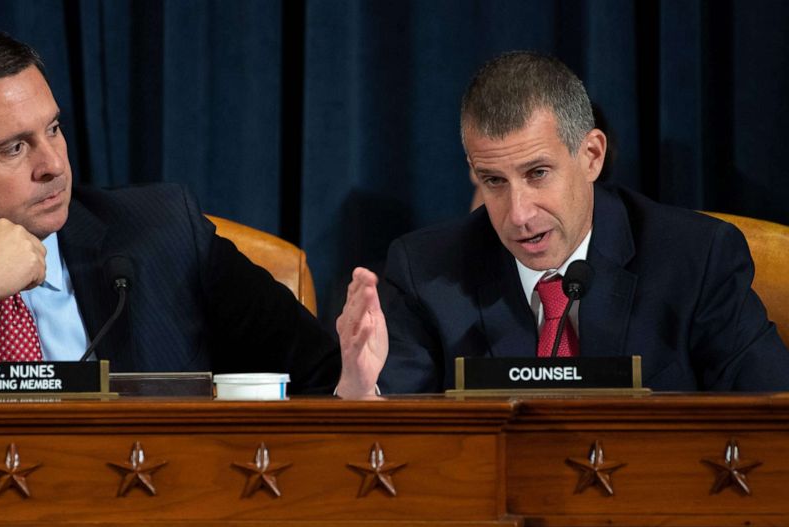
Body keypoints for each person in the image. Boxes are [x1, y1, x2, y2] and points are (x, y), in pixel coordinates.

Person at [0, 28, 339, 398]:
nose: (53, 165)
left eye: (54, 129)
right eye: (14, 148)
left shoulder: (163, 232)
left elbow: (319, 372)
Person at [336, 51, 789, 397]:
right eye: (494, 181)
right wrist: (360, 394)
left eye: (538, 174)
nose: (519, 215)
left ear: (591, 155)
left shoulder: (696, 259)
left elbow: (771, 422)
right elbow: (397, 448)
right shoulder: (426, 273)